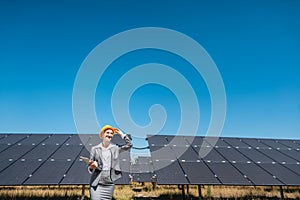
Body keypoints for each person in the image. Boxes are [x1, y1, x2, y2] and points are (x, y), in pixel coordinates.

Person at [88, 125, 132, 200]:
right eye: (107, 132)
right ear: (102, 134)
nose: (109, 135)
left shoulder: (115, 148)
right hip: (97, 183)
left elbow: (129, 145)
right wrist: (92, 166)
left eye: (111, 133)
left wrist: (122, 134)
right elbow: (90, 167)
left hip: (109, 183)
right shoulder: (94, 149)